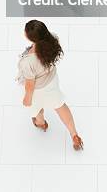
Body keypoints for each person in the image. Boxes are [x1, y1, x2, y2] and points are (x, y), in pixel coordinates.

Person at [17, 20, 83, 150]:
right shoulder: (53, 40)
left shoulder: (27, 62)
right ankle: (74, 134)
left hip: (38, 90)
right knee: (60, 106)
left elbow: (30, 84)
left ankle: (41, 124)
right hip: (52, 82)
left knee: (37, 109)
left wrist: (27, 97)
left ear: (29, 37)